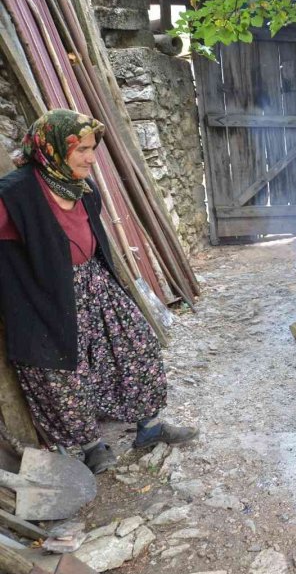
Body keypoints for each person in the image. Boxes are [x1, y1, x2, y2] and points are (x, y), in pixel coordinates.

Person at [0, 109, 197, 474]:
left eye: (93, 149)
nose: (91, 158)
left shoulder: (82, 189)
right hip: (46, 298)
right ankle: (91, 446)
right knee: (63, 374)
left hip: (93, 282)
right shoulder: (15, 194)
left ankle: (149, 428)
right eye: (82, 150)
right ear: (54, 149)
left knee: (137, 343)